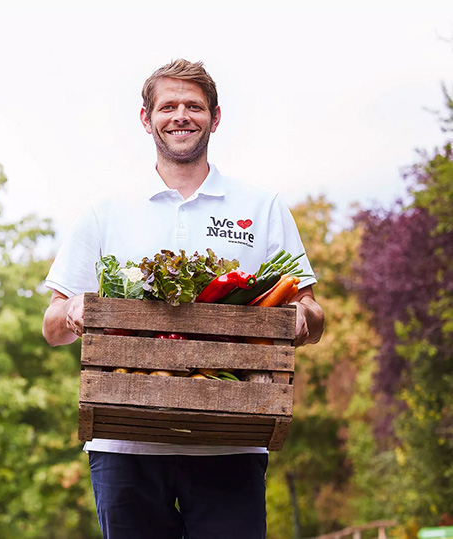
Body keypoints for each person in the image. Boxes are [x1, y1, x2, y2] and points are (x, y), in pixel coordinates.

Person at [42, 59, 325, 538]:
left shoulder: (262, 206)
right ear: (146, 118)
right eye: (167, 106)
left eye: (194, 106)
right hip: (124, 440)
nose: (180, 116)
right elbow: (51, 328)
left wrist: (301, 318)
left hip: (230, 438)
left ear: (215, 117)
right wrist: (71, 310)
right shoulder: (106, 210)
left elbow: (313, 312)